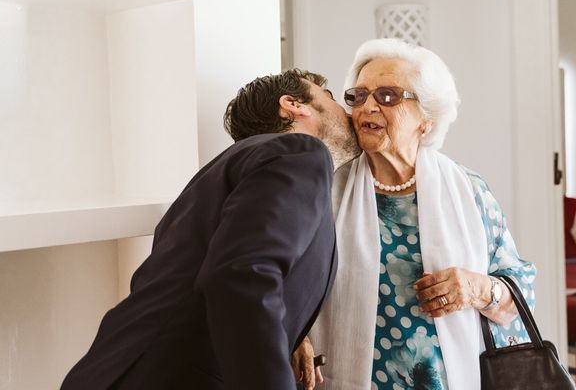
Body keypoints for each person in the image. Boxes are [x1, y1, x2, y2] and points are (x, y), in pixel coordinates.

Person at [60, 69, 360, 390]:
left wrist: (290, 334)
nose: (348, 112)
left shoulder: (222, 174)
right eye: (330, 99)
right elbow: (242, 274)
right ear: (292, 105)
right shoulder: (300, 152)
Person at [299, 39, 537, 390]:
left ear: (427, 119)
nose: (368, 107)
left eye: (388, 96)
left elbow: (520, 292)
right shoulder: (326, 191)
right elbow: (290, 282)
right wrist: (297, 337)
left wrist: (477, 289)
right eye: (359, 96)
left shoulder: (469, 190)